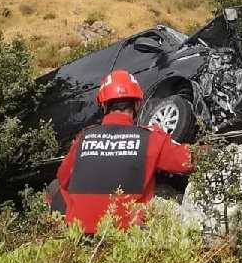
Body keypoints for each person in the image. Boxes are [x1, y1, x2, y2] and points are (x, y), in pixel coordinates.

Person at [50, 70, 193, 232]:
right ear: (137, 104)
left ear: (104, 105)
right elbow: (187, 161)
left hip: (80, 237)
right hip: (125, 239)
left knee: (55, 188)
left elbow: (63, 180)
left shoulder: (83, 138)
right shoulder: (151, 138)